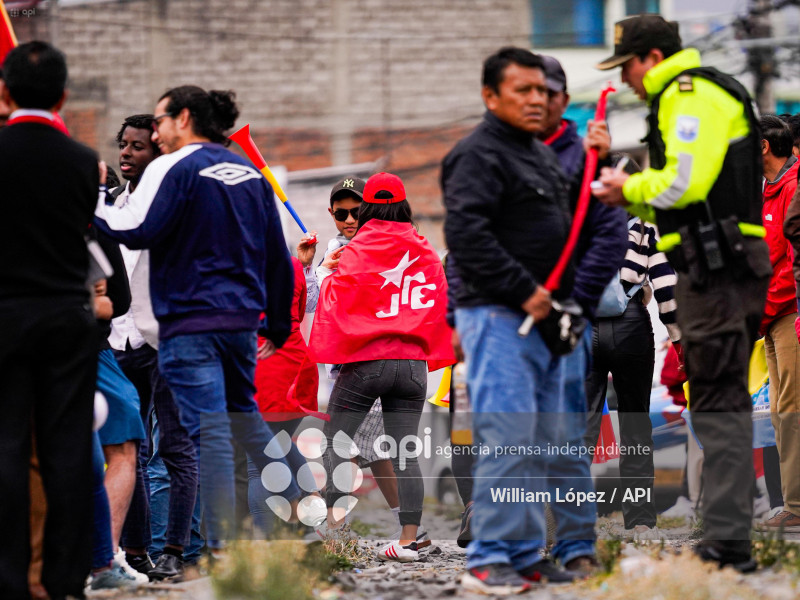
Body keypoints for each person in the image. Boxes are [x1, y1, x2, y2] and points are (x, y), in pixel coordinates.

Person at [593, 14, 771, 573]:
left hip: (717, 268)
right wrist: (632, 198)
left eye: (626, 66)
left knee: (717, 401)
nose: (624, 80)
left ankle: (726, 544)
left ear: (650, 57)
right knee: (718, 400)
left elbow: (682, 184)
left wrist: (628, 185)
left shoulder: (686, 94)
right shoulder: (690, 93)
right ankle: (726, 537)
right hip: (718, 262)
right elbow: (682, 196)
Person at [94, 84, 297, 552]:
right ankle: (301, 522)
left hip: (190, 323)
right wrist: (277, 325)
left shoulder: (174, 166)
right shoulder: (249, 173)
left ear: (183, 118)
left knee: (209, 435)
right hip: (240, 322)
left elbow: (135, 229)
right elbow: (278, 255)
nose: (156, 133)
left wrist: (99, 197)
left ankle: (221, 552)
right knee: (245, 422)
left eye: (160, 122)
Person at [442, 47, 610, 594]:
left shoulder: (537, 154)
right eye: (523, 90)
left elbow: (576, 227)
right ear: (491, 96)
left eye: (542, 90)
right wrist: (525, 291)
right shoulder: (478, 154)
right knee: (508, 439)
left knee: (543, 441)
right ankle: (488, 560)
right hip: (499, 317)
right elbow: (467, 236)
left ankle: (521, 555)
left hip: (547, 320)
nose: (537, 99)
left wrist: (598, 165)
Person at [309, 172, 453, 562]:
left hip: (366, 363)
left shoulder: (357, 249)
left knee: (336, 442)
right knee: (405, 452)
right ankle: (409, 540)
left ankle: (335, 533)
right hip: (413, 366)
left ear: (368, 207)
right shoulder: (423, 248)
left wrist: (323, 272)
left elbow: (334, 302)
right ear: (404, 205)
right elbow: (441, 300)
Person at [0, 41, 99, 598]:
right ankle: (64, 578)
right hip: (65, 315)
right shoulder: (83, 161)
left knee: (7, 446)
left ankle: (10, 577)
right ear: (62, 96)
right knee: (66, 449)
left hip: (4, 315)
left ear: (5, 92)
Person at [104, 114, 200, 580]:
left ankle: (175, 550)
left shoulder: (178, 204)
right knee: (130, 449)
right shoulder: (113, 205)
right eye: (123, 145)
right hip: (118, 339)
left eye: (137, 146)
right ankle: (137, 551)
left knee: (177, 448)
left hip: (165, 340)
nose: (126, 153)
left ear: (158, 153)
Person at [756, 115, 800, 532]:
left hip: (788, 313)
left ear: (764, 147)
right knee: (780, 411)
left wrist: (763, 311)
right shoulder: (769, 188)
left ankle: (796, 506)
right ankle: (791, 503)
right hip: (772, 316)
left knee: (791, 410)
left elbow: (791, 264)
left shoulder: (793, 186)